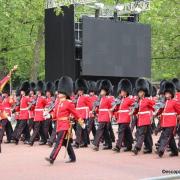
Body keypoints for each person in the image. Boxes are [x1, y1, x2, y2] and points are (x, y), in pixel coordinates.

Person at [44, 76, 85, 164]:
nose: (58, 93)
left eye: (60, 92)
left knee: (58, 142)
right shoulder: (58, 102)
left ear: (65, 93)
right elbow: (55, 113)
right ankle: (73, 157)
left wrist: (81, 122)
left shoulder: (68, 103)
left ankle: (52, 157)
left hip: (64, 125)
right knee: (65, 142)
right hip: (59, 125)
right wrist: (49, 116)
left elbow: (76, 114)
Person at [156, 81, 180, 157]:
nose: (167, 95)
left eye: (168, 93)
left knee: (165, 136)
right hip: (164, 122)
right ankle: (175, 151)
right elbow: (160, 110)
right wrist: (156, 114)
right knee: (170, 138)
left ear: (171, 94)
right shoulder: (163, 102)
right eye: (166, 93)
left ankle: (161, 150)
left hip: (171, 122)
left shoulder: (174, 102)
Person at [132, 78, 155, 155]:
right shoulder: (139, 101)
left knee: (140, 134)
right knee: (147, 134)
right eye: (139, 92)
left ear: (144, 93)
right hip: (140, 119)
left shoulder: (147, 100)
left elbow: (154, 106)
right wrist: (132, 111)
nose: (139, 93)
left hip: (145, 119)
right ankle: (149, 148)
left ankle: (137, 147)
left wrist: (155, 113)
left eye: (141, 92)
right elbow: (136, 110)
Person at [112, 79, 134, 152]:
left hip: (126, 117)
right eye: (121, 91)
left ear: (126, 92)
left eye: (123, 91)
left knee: (120, 131)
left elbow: (134, 107)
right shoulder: (120, 100)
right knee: (127, 132)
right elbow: (117, 109)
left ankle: (118, 146)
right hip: (120, 118)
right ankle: (129, 145)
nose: (121, 92)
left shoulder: (130, 99)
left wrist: (131, 113)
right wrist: (115, 116)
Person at [92, 80, 113, 151]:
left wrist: (111, 114)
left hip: (105, 116)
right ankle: (109, 144)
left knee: (99, 129)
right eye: (101, 90)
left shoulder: (109, 98)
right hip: (101, 116)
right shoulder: (100, 99)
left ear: (106, 91)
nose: (101, 92)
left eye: (103, 91)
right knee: (105, 131)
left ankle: (96, 144)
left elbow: (112, 107)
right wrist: (95, 111)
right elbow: (99, 108)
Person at [73, 78, 91, 148]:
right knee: (83, 129)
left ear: (83, 90)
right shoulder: (78, 97)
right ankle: (85, 142)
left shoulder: (86, 97)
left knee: (79, 128)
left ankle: (77, 143)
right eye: (78, 90)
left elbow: (90, 106)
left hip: (83, 116)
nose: (79, 92)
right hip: (78, 115)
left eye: (80, 90)